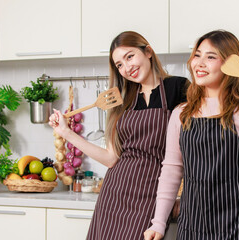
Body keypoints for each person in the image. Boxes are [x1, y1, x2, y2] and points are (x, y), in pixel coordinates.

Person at [144, 30, 239, 240]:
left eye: (211, 57)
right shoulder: (181, 113)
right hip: (194, 223)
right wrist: (158, 223)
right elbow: (171, 170)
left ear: (229, 65)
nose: (200, 63)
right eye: (197, 55)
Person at [48, 31, 189, 240]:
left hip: (152, 195)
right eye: (119, 65)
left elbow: (198, 140)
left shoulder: (178, 88)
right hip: (114, 193)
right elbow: (111, 158)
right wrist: (66, 132)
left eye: (130, 56)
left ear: (148, 51)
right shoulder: (121, 100)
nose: (126, 68)